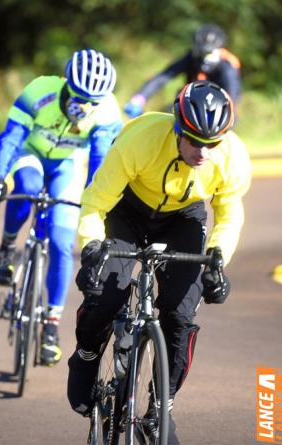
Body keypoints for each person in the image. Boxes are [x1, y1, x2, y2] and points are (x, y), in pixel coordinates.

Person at [67, 80, 251, 442]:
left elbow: (229, 216)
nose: (205, 152)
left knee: (180, 316)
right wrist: (91, 248)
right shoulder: (140, 139)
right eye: (196, 141)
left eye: (213, 143)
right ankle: (87, 356)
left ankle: (160, 409)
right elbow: (95, 203)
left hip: (184, 217)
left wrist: (217, 262)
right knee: (106, 295)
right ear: (178, 129)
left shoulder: (231, 156)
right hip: (129, 210)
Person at [0, 49, 123, 367]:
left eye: (93, 100)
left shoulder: (108, 112)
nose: (85, 106)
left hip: (68, 165)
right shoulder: (39, 91)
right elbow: (11, 138)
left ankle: (51, 325)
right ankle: (7, 247)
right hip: (31, 153)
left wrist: (96, 199)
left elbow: (100, 161)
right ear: (66, 84)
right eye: (80, 97)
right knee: (28, 188)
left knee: (61, 241)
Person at [124, 23, 241, 118]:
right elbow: (164, 76)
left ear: (220, 50)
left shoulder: (228, 69)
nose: (202, 56)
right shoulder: (192, 57)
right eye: (199, 51)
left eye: (207, 52)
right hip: (188, 103)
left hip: (214, 111)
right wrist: (139, 98)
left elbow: (231, 102)